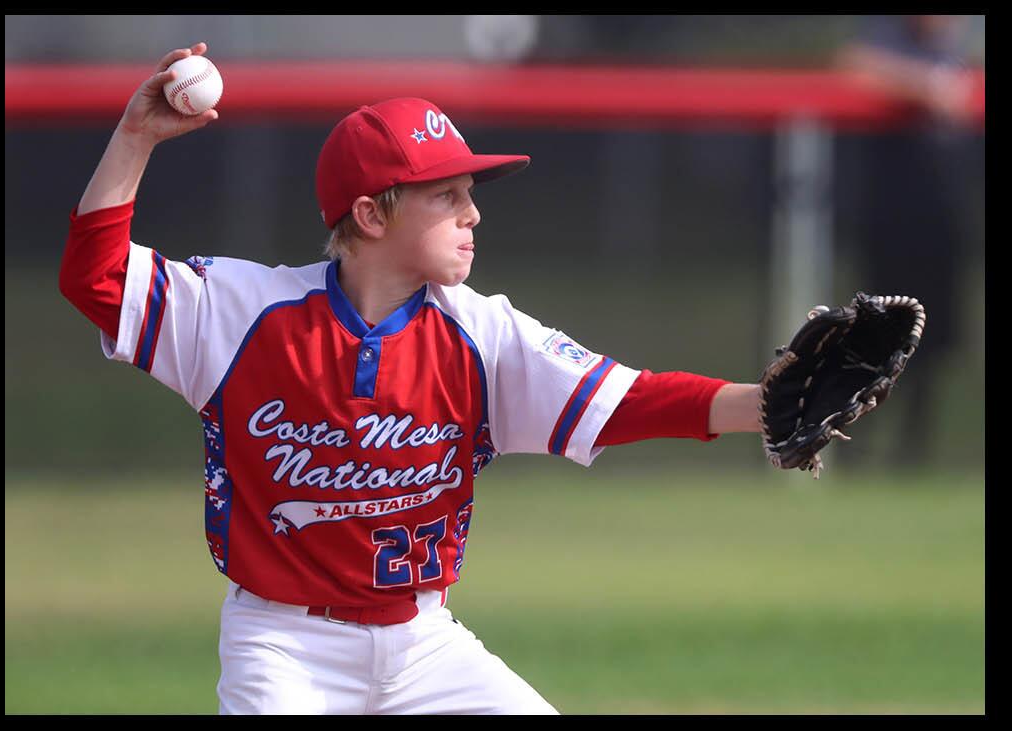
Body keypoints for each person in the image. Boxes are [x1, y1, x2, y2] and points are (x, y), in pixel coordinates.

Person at [59, 42, 763, 715]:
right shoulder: (242, 313)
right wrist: (135, 136)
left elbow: (632, 400)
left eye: (469, 191)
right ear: (370, 214)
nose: (473, 212)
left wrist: (767, 404)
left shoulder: (482, 333)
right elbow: (97, 278)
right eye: (446, 194)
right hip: (284, 643)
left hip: (424, 643)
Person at [838, 15, 981, 467]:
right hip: (893, 225)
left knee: (931, 344)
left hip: (945, 228)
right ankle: (852, 446)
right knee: (876, 335)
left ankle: (911, 453)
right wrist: (927, 88)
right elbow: (854, 64)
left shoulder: (962, 52)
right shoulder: (889, 39)